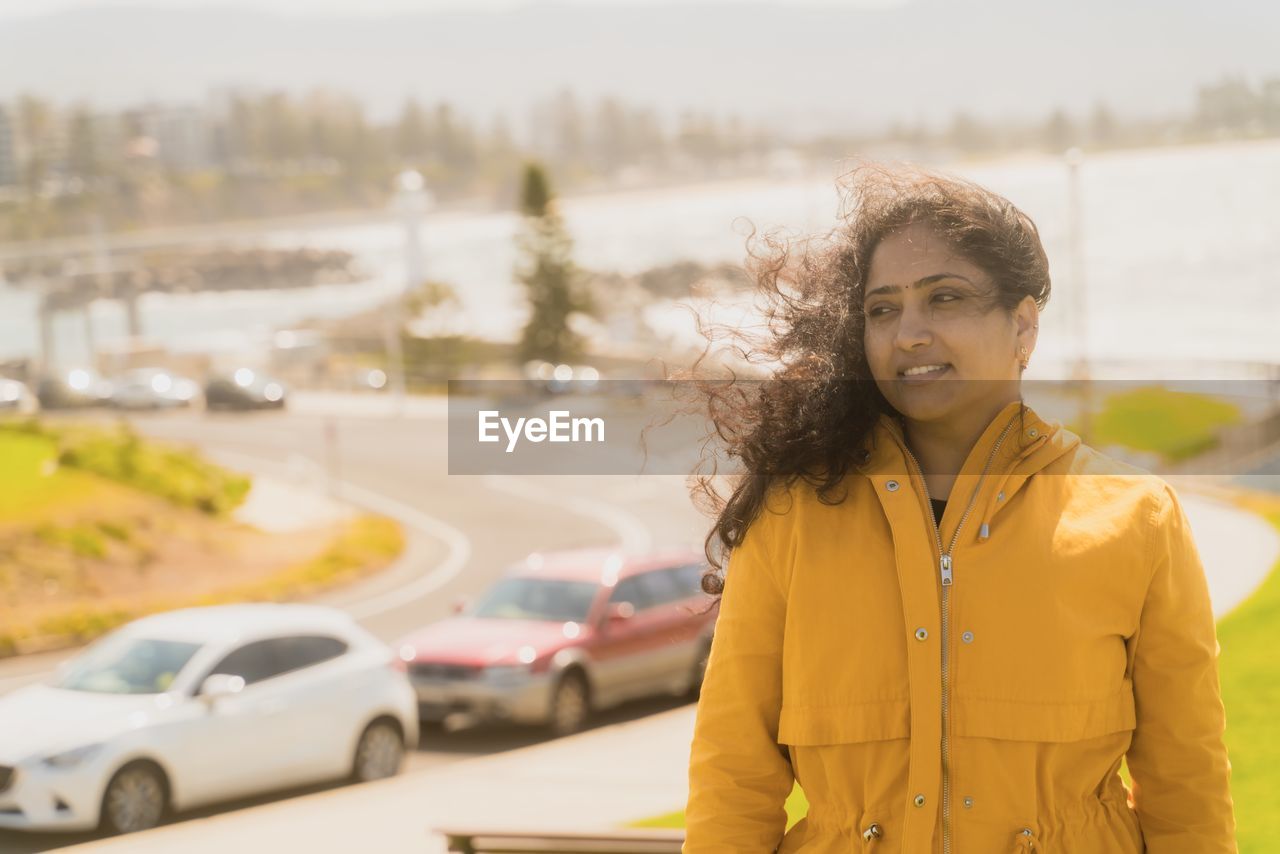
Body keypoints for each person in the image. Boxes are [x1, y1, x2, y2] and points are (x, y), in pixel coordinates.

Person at [682, 163, 1236, 852]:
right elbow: (732, 778)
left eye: (944, 299)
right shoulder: (792, 515)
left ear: (1024, 327)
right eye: (882, 308)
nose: (908, 332)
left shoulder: (1138, 518)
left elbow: (1188, 786)